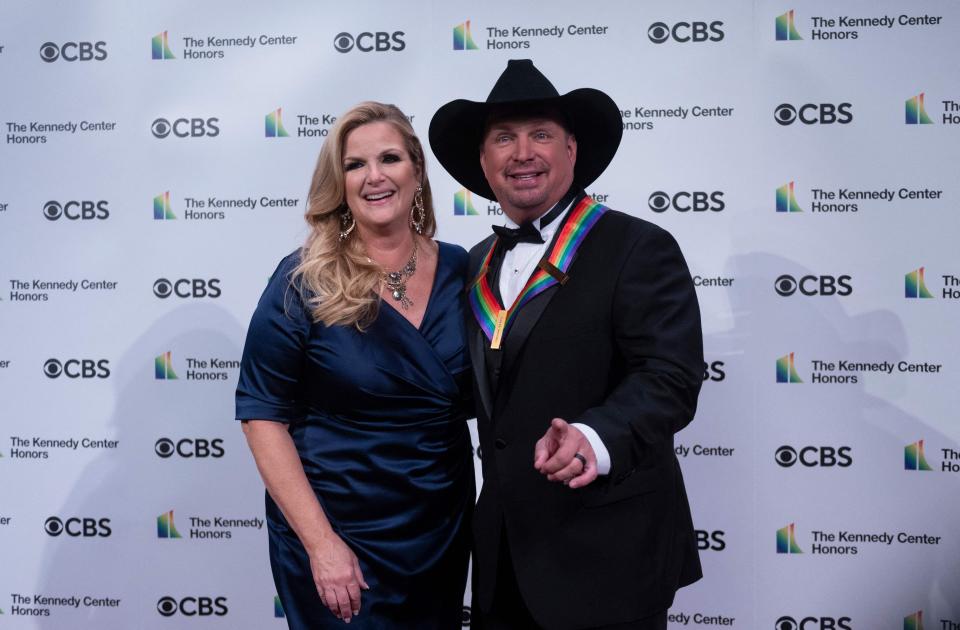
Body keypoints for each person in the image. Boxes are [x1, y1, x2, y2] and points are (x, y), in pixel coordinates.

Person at [429, 60, 704, 629]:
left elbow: (670, 378)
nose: (521, 152)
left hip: (609, 554)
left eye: (541, 134)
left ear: (572, 150)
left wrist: (595, 435)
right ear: (483, 163)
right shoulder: (476, 262)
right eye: (503, 138)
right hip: (503, 557)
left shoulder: (638, 246)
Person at [236, 102, 474, 629]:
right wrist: (321, 545)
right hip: (340, 532)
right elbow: (261, 415)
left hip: (439, 527)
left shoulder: (466, 269)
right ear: (338, 183)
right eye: (354, 165)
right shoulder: (302, 279)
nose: (374, 177)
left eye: (389, 158)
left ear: (416, 170)